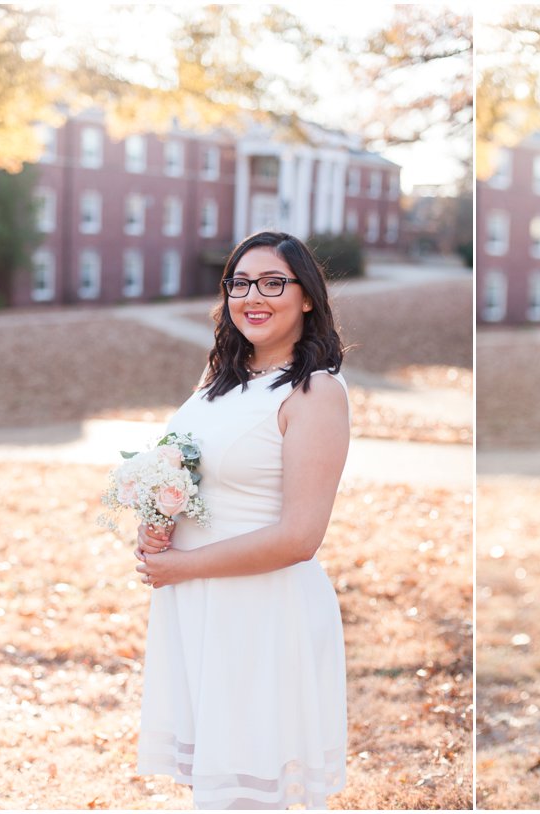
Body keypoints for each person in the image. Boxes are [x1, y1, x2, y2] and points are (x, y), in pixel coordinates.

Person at [133, 230, 350, 810]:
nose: (254, 296)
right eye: (241, 282)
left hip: (265, 615)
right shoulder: (217, 380)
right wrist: (155, 524)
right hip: (201, 608)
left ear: (307, 297)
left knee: (253, 795)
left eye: (274, 282)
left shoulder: (315, 394)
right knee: (216, 790)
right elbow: (183, 473)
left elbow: (300, 537)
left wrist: (180, 566)